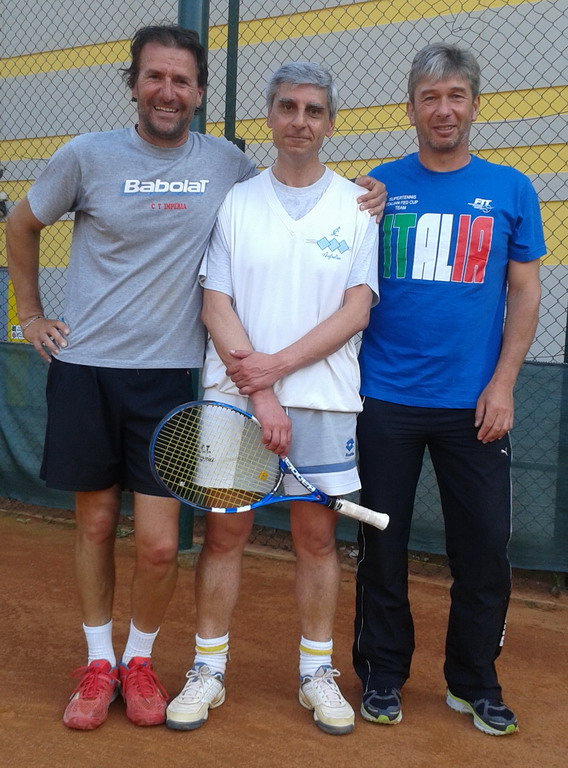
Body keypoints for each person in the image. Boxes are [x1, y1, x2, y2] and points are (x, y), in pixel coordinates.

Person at [6, 26, 384, 732]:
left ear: (201, 93)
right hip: (104, 373)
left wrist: (371, 190)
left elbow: (336, 272)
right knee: (105, 525)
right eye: (155, 77)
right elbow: (23, 225)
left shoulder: (235, 168)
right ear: (133, 83)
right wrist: (28, 315)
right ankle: (114, 663)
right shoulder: (95, 157)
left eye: (181, 80)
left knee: (170, 545)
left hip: (177, 381)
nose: (168, 91)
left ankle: (162, 662)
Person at [164, 62, 379, 736]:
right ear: (270, 115)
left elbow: (357, 310)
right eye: (288, 107)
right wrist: (261, 396)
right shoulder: (237, 202)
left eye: (313, 110)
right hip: (235, 402)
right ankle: (208, 668)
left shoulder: (357, 206)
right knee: (225, 534)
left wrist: (276, 372)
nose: (299, 121)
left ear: (330, 123)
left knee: (316, 539)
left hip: (323, 401)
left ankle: (317, 673)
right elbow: (215, 304)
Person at [352, 43, 545, 736]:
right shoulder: (375, 189)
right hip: (385, 400)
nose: (443, 110)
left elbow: (525, 293)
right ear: (409, 108)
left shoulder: (512, 190)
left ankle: (473, 681)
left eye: (455, 96)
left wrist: (504, 384)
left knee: (484, 550)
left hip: (475, 406)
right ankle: (382, 673)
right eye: (429, 97)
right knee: (382, 547)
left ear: (475, 105)